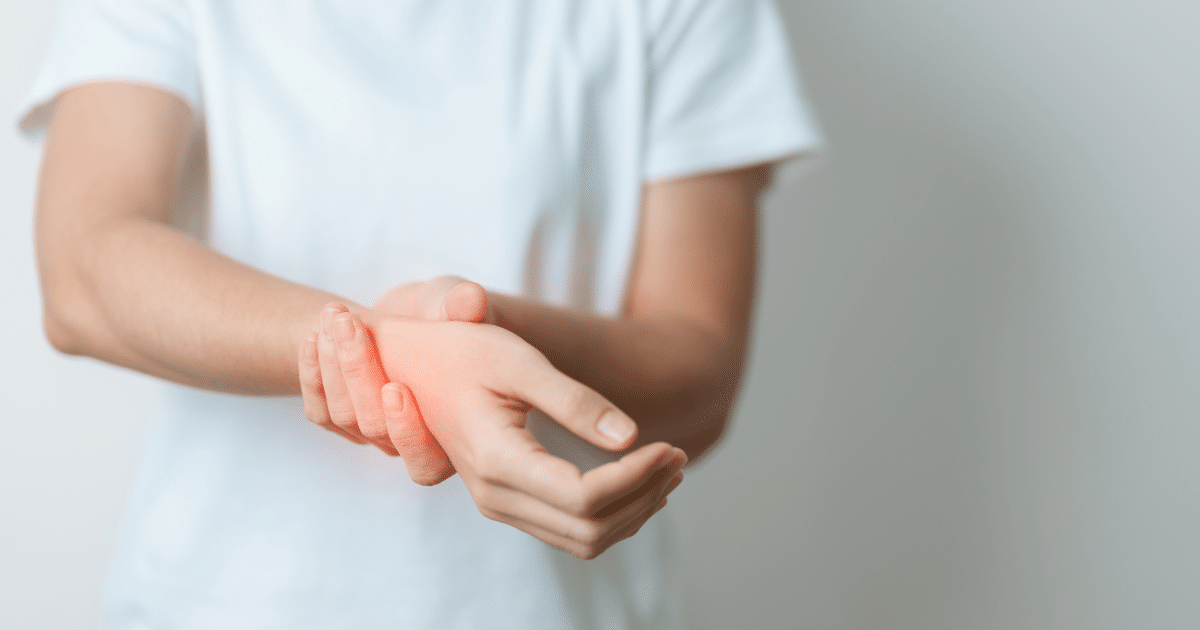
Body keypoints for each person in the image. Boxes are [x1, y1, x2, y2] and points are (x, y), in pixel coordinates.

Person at [20, 0, 821, 627]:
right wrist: (404, 352)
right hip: (220, 603)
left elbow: (700, 374)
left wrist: (482, 332)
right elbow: (85, 270)